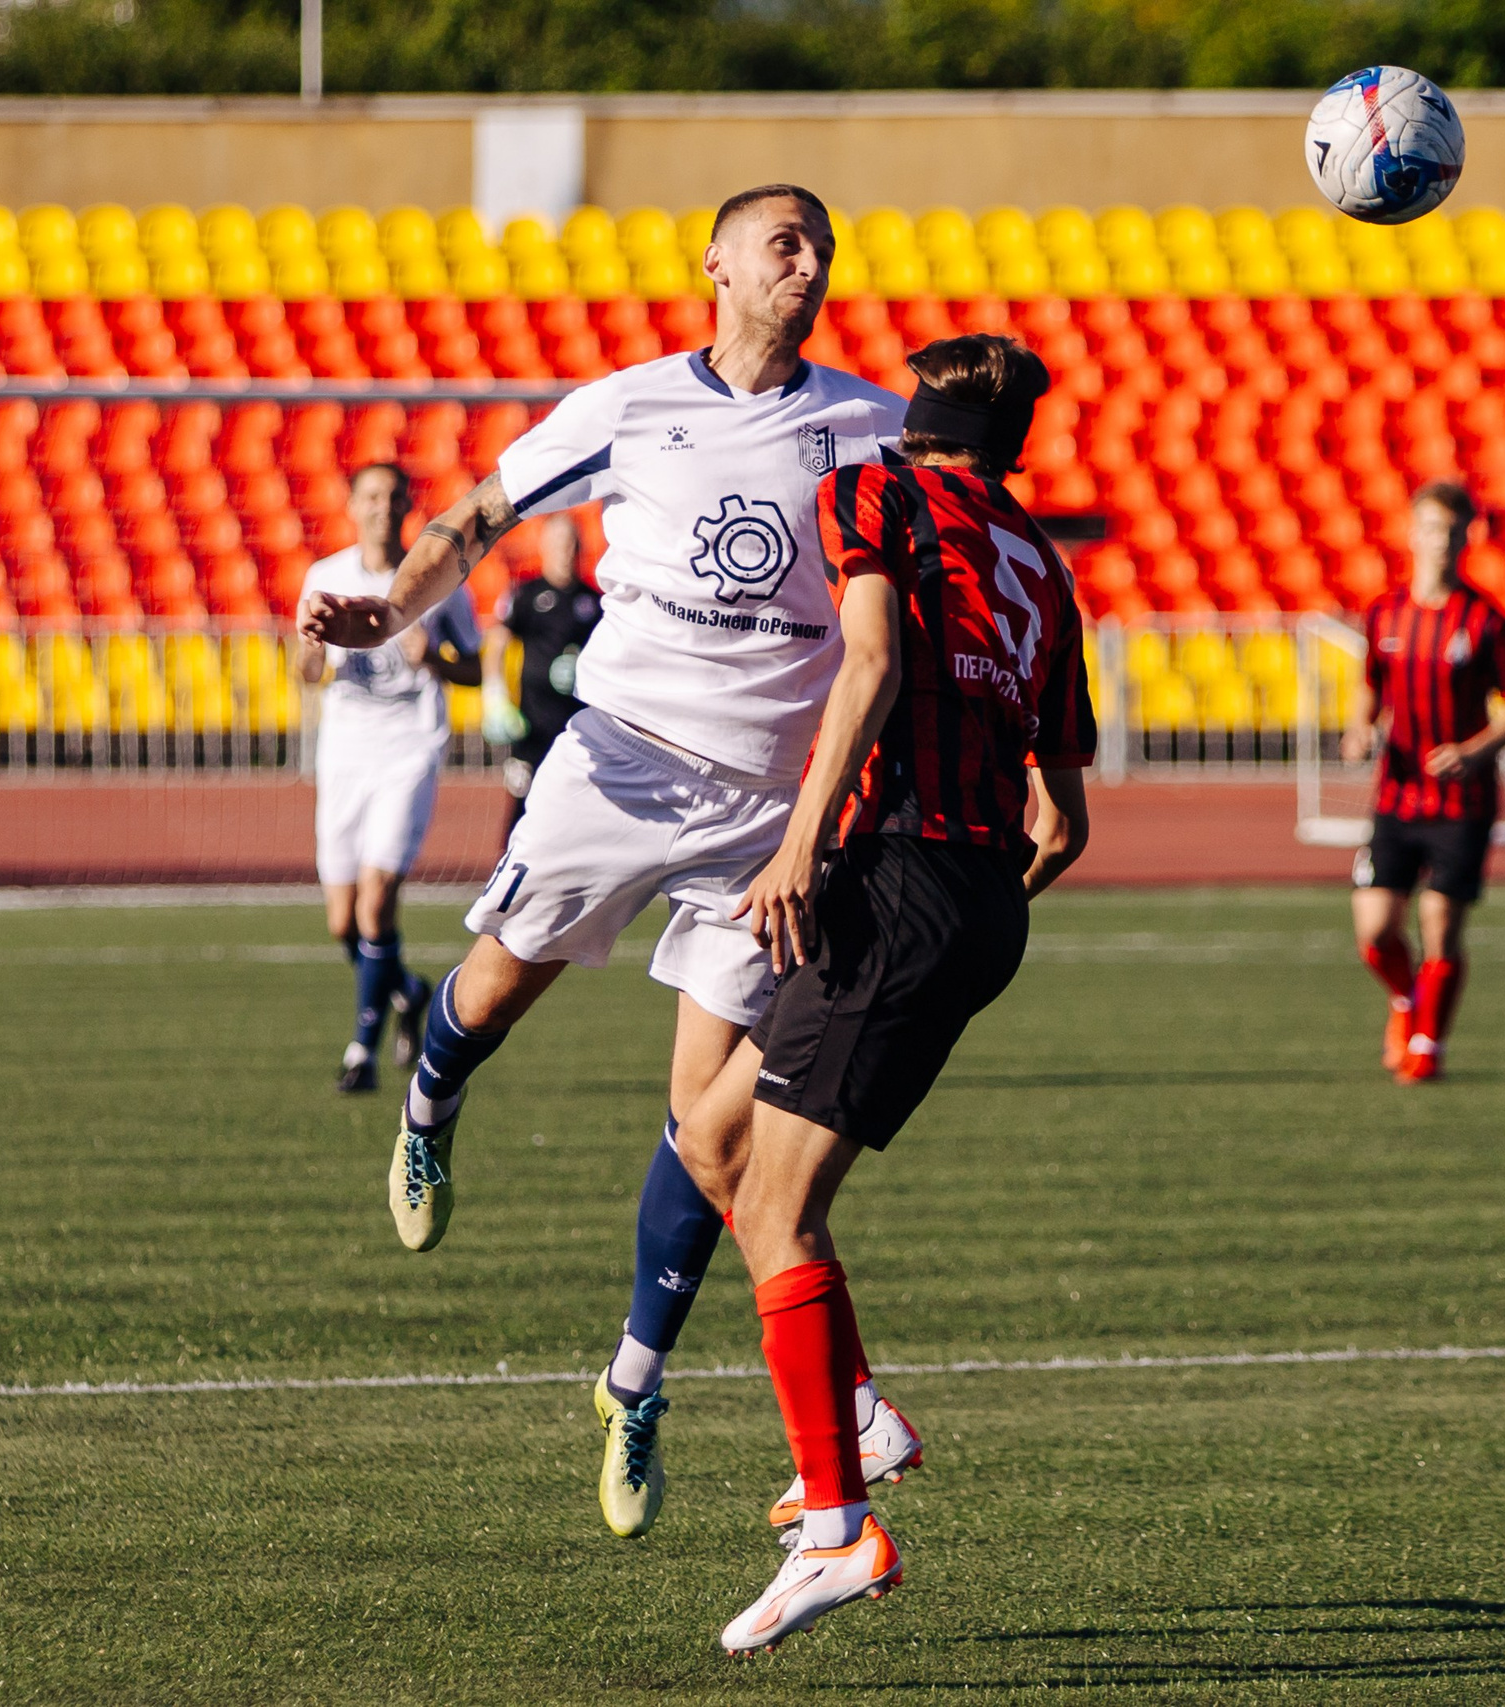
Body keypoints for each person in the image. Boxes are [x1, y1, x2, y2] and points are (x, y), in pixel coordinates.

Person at [297, 184, 917, 1542]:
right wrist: (390, 610)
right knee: (500, 984)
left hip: (767, 819)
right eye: (783, 241)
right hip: (621, 766)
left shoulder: (868, 423)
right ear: (717, 265)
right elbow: (475, 513)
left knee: (719, 1130)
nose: (806, 262)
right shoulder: (630, 407)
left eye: (821, 243)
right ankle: (431, 1092)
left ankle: (634, 1380)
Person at [663, 333, 1094, 1656]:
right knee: (715, 1142)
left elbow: (869, 667)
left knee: (781, 1207)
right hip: (969, 897)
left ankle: (839, 1526)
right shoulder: (1042, 561)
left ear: (921, 417)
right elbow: (1064, 820)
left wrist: (806, 848)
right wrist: (963, 898)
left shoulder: (878, 496)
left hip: (890, 875)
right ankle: (856, 1415)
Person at [296, 462, 484, 1095]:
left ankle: (361, 1051)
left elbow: (475, 672)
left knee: (378, 900)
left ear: (407, 505)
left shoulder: (436, 579)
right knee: (342, 921)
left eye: (393, 496)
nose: (382, 507)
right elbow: (305, 670)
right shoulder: (327, 576)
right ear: (351, 505)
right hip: (346, 751)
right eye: (371, 496)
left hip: (409, 748)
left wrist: (433, 658)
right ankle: (408, 991)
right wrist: (313, 650)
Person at [1342, 480, 1505, 1083]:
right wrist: (1360, 729)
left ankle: (1428, 1044)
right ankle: (1406, 1000)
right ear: (1411, 534)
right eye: (1429, 530)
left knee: (1441, 926)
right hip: (1396, 796)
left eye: (1451, 533)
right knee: (1374, 932)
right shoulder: (1385, 611)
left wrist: (1475, 751)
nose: (1439, 544)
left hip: (1462, 801)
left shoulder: (1487, 619)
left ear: (1466, 538)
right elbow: (1371, 683)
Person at [483, 514, 603, 799]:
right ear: (544, 546)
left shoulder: (594, 601)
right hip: (532, 724)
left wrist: (585, 669)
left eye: (571, 543)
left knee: (575, 804)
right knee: (525, 806)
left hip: (577, 723)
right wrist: (495, 696)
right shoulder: (526, 594)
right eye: (558, 543)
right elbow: (497, 644)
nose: (565, 551)